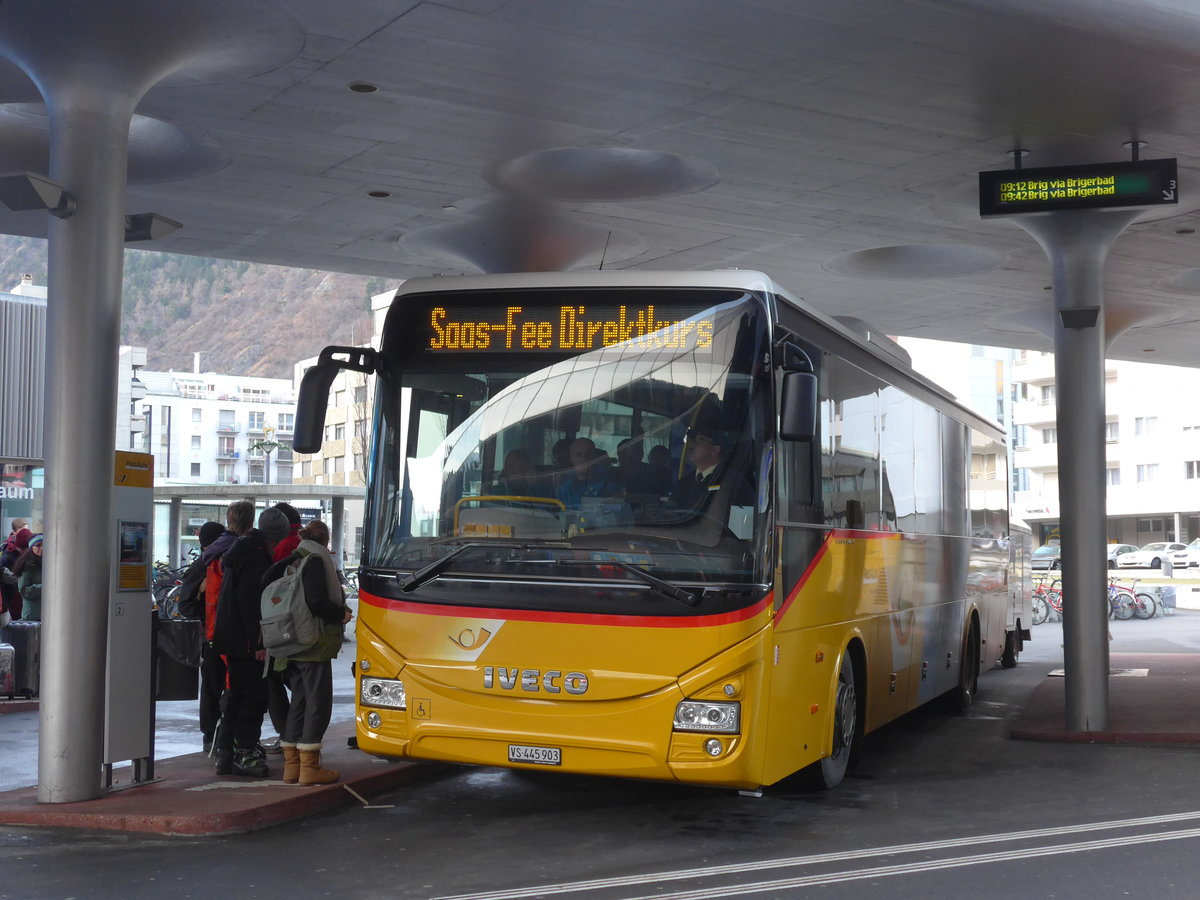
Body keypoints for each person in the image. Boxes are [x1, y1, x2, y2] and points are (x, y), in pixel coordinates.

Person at [265, 519, 353, 785]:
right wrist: (341, 614)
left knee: (300, 703)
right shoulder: (315, 560)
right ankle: (310, 768)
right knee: (318, 703)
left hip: (290, 640)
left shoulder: (294, 557)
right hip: (312, 643)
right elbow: (316, 601)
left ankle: (293, 767)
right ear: (326, 540)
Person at [210, 506, 290, 778]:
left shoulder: (240, 550)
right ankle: (245, 751)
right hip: (245, 642)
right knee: (253, 697)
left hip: (231, 638)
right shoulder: (256, 558)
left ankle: (226, 753)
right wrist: (259, 642)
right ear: (277, 536)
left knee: (236, 696)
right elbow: (251, 603)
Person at [177, 520, 232, 753]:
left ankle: (214, 735)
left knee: (213, 686)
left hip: (213, 637)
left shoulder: (209, 563)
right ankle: (213, 735)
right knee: (215, 685)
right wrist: (211, 617)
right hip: (214, 637)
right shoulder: (205, 565)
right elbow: (187, 605)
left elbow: (185, 605)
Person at [263, 502, 303, 749]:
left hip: (279, 621)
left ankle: (288, 733)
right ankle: (300, 731)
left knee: (273, 681)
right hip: (302, 621)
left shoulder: (279, 545)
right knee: (299, 679)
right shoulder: (306, 542)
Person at [555, 437, 622, 509]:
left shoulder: (608, 484)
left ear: (594, 458)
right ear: (571, 458)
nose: (583, 459)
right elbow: (549, 509)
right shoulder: (563, 485)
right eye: (578, 455)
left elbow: (614, 513)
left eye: (588, 455)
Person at [12, 534, 42, 622]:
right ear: (31, 547)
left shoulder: (49, 563)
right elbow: (24, 591)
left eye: (45, 545)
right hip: (32, 616)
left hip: (47, 613)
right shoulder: (27, 566)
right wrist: (44, 587)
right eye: (38, 545)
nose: (42, 548)